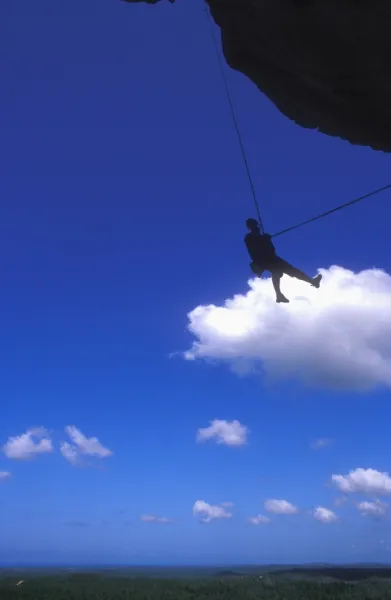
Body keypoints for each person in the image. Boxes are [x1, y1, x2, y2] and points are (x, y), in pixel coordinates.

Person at [244, 217, 322, 303]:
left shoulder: (260, 237)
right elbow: (255, 250)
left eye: (256, 225)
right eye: (254, 225)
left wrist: (266, 240)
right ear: (251, 227)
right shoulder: (249, 237)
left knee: (287, 271)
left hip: (271, 258)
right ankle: (279, 295)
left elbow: (272, 249)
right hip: (264, 260)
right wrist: (264, 239)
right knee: (280, 271)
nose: (257, 227)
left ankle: (311, 282)